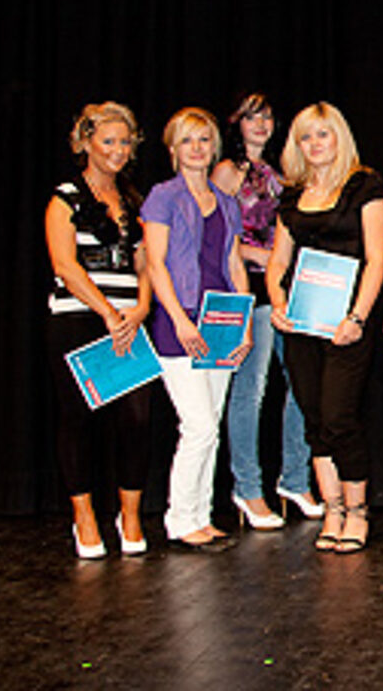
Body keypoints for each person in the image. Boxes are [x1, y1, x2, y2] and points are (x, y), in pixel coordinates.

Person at [267, 102, 383, 554]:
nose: (315, 145)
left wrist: (357, 317)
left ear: (339, 138)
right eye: (305, 137)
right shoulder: (291, 195)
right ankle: (332, 509)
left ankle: (357, 512)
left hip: (346, 325)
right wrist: (279, 304)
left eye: (323, 135)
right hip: (301, 324)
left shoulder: (365, 186)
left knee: (340, 417)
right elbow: (279, 261)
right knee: (315, 420)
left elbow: (377, 259)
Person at [44, 102, 153, 559]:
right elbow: (65, 266)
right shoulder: (64, 198)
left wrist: (141, 307)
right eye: (108, 141)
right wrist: (107, 312)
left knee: (137, 420)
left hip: (128, 322)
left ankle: (129, 514)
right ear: (85, 142)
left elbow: (146, 264)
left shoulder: (133, 199)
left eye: (124, 141)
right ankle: (84, 517)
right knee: (78, 421)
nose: (117, 150)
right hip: (79, 319)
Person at [142, 107, 252, 550]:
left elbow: (233, 263)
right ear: (173, 149)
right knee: (199, 425)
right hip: (179, 323)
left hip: (220, 321)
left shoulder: (226, 202)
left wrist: (243, 322)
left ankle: (200, 517)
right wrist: (181, 320)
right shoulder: (163, 197)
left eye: (204, 140)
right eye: (188, 140)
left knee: (213, 423)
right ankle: (178, 517)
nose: (197, 148)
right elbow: (155, 264)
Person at [212, 93, 322, 530]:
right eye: (251, 117)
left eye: (267, 115)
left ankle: (295, 477)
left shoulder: (281, 173)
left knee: (302, 384)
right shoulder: (227, 172)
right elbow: (216, 236)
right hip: (249, 289)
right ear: (236, 124)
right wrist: (263, 256)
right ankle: (248, 488)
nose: (260, 124)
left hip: (288, 289)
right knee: (251, 391)